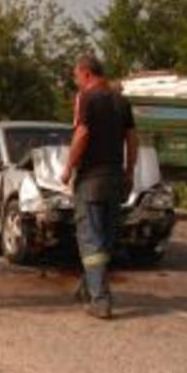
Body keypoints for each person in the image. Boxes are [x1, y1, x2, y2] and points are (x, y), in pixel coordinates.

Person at [60, 55, 138, 320]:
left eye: (76, 77)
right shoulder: (121, 101)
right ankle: (88, 288)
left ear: (86, 73)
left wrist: (68, 167)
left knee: (90, 240)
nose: (76, 82)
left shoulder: (88, 99)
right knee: (103, 239)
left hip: (91, 180)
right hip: (115, 179)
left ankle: (100, 300)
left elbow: (81, 134)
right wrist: (129, 172)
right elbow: (132, 139)